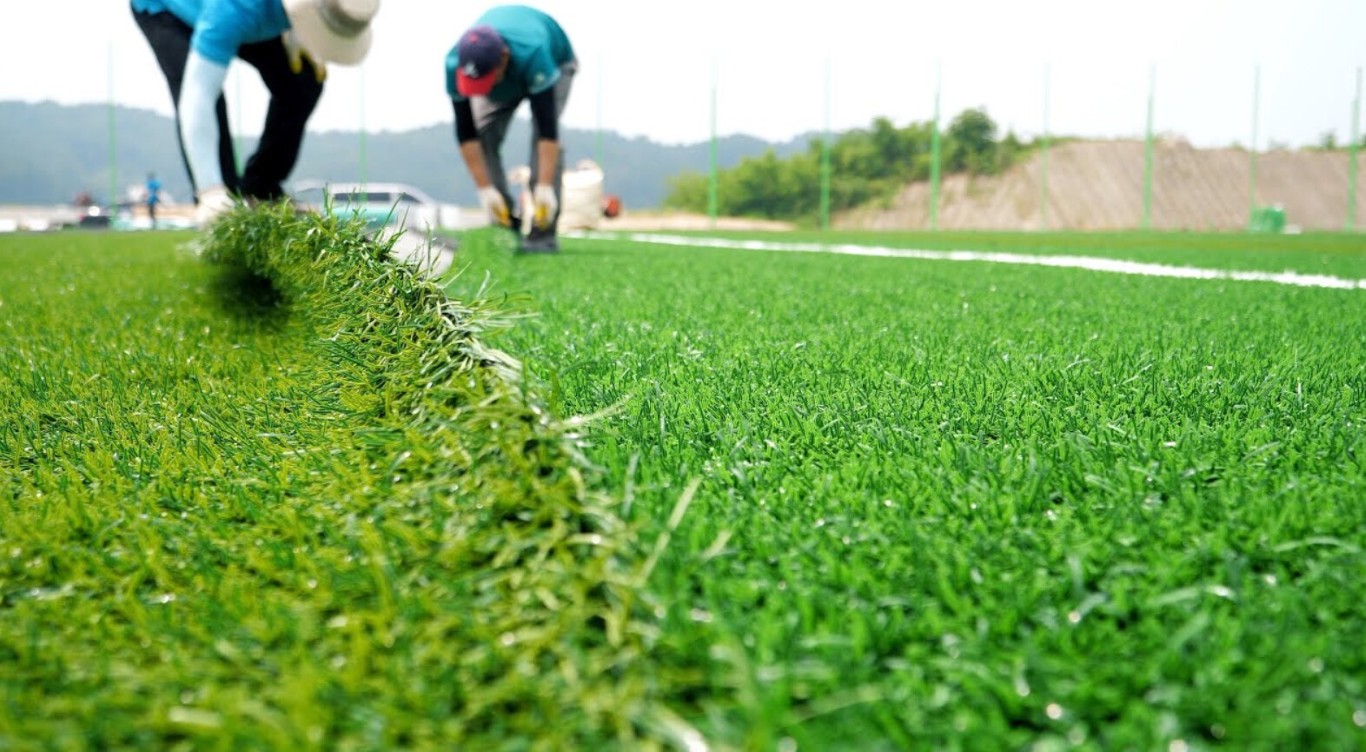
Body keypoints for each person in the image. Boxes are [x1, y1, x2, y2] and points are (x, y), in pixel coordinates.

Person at [131, 0, 380, 227]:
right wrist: (210, 190)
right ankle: (222, 207)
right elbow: (198, 97)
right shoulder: (234, 10)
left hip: (267, 15)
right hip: (168, 10)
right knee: (209, 98)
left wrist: (299, 34)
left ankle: (261, 190)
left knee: (303, 82)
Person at [445, 5, 577, 253]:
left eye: (485, 79)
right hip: (508, 75)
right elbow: (466, 133)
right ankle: (504, 220)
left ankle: (543, 232)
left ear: (503, 58)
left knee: (541, 142)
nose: (482, 89)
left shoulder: (533, 53)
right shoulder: (455, 63)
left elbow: (547, 132)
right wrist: (485, 189)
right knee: (483, 135)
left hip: (556, 65)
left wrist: (544, 186)